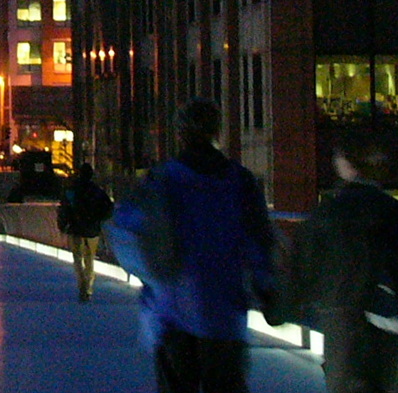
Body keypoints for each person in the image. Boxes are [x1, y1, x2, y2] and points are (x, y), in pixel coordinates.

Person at [110, 98, 276, 393]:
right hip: (226, 311)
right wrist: (266, 288)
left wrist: (152, 276)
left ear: (180, 133)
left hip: (171, 308)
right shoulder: (241, 181)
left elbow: (127, 228)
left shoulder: (163, 178)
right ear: (217, 131)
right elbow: (260, 242)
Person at [278, 134, 398, 393]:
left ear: (346, 166)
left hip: (346, 334)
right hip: (396, 333)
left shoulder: (330, 213)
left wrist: (279, 310)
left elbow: (300, 270)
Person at [58, 161, 113, 302]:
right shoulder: (98, 191)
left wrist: (63, 225)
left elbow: (64, 208)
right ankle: (88, 287)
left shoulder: (72, 190)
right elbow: (108, 208)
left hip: (76, 228)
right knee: (90, 259)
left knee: (78, 259)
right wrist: (99, 219)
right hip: (92, 230)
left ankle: (82, 284)